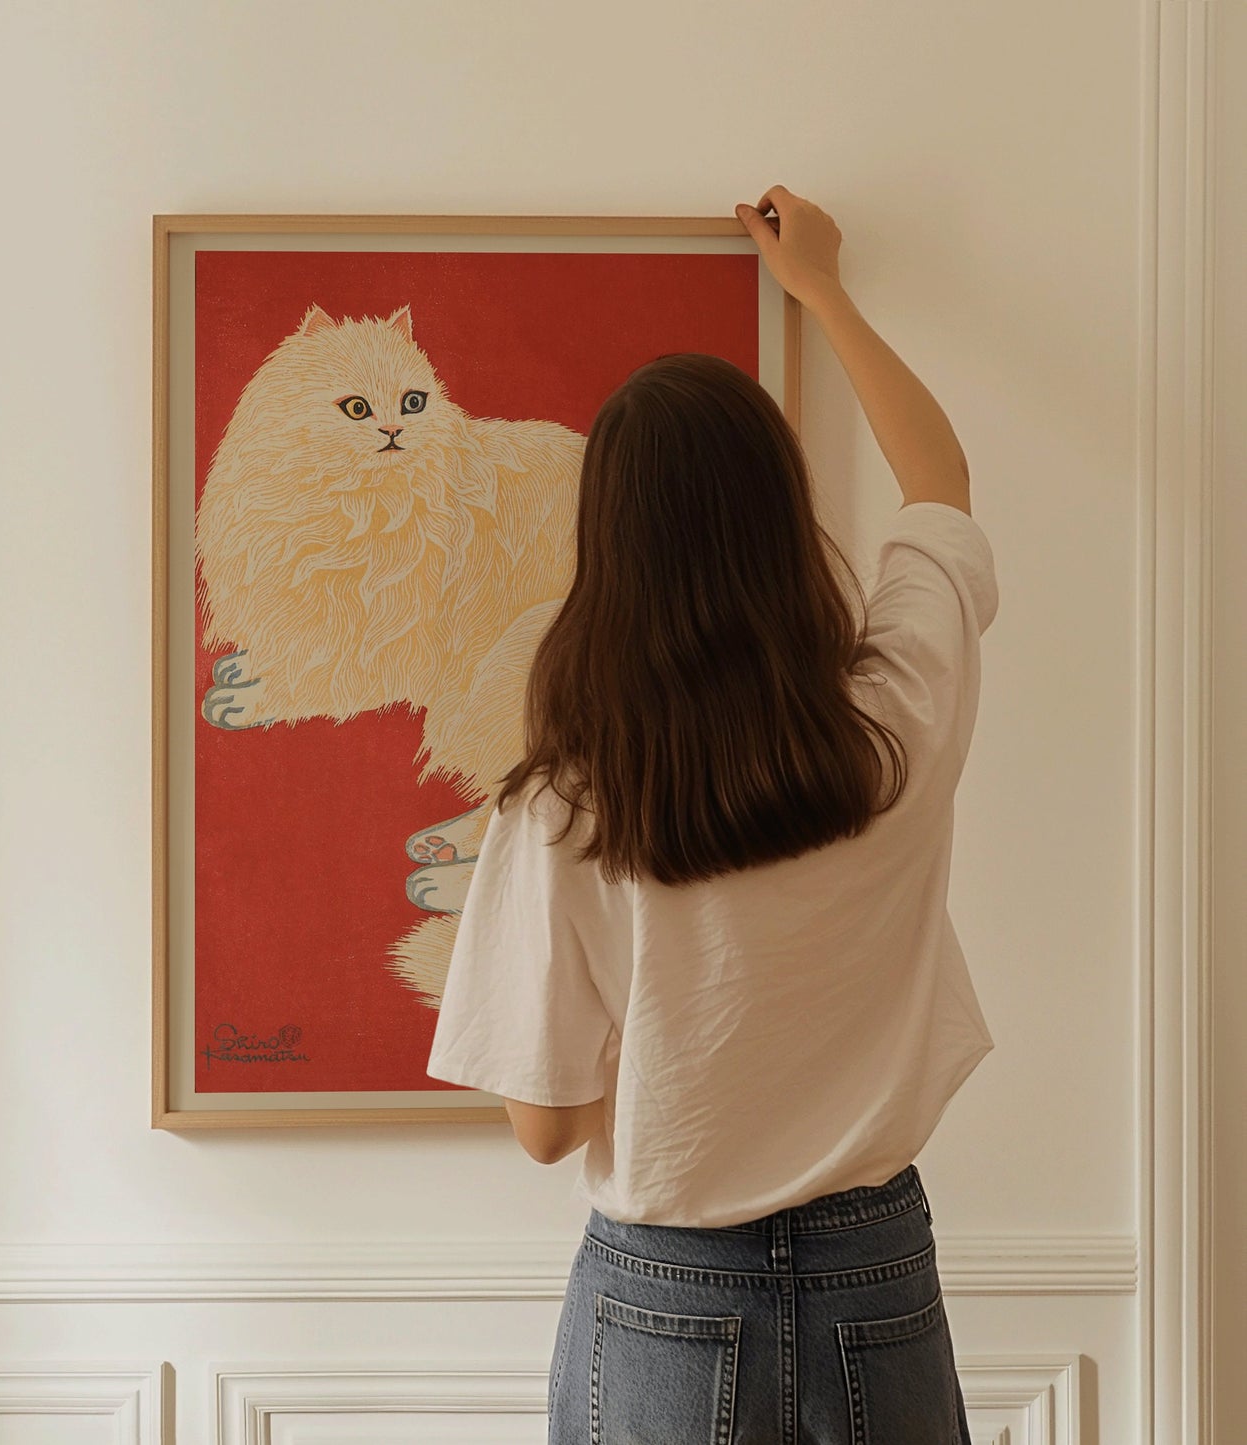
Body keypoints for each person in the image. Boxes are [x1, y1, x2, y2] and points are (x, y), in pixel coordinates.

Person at [426, 184, 993, 1445]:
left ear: (607, 548)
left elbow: (543, 1125)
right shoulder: (894, 715)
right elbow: (939, 484)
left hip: (664, 1294)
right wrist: (823, 291)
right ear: (782, 519)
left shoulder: (568, 802)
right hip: (874, 1270)